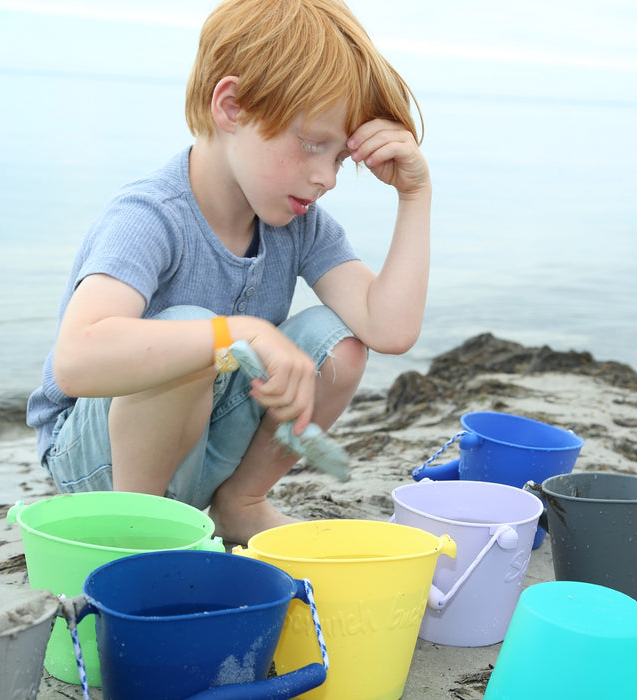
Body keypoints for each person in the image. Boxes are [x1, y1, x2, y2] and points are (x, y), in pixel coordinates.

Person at [25, 0, 431, 546]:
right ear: (233, 106)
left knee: (339, 346)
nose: (326, 177)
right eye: (313, 143)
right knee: (194, 333)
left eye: (339, 158)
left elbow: (389, 328)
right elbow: (76, 361)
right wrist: (241, 332)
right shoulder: (150, 217)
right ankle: (140, 531)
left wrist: (415, 194)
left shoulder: (299, 222)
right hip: (101, 467)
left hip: (202, 448)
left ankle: (240, 503)